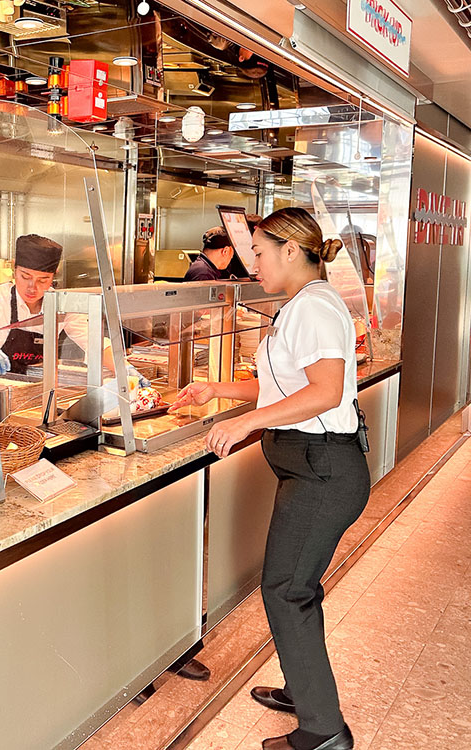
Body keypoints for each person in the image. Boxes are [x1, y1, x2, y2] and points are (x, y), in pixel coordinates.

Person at [170, 207, 368, 750]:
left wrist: (246, 424)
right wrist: (218, 391)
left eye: (258, 252)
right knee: (296, 587)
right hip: (312, 467)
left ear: (289, 250)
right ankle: (305, 690)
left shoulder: (314, 308)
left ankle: (324, 732)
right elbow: (283, 388)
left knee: (286, 590)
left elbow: (325, 392)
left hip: (322, 470)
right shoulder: (304, 304)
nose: (252, 262)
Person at [0, 234, 114, 376]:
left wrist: (126, 372)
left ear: (54, 276)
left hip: (39, 395)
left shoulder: (60, 303)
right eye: (25, 277)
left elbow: (96, 342)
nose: (32, 287)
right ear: (14, 269)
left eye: (43, 280)